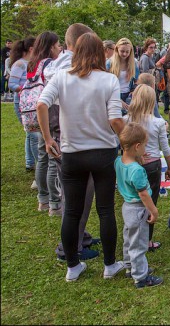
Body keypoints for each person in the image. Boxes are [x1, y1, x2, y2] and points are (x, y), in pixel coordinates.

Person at [36, 32, 126, 282]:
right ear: (99, 52)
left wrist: (47, 138)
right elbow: (115, 119)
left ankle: (73, 266)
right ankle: (109, 265)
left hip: (72, 152)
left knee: (72, 211)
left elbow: (42, 105)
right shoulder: (108, 80)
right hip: (103, 151)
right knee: (106, 209)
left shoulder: (61, 78)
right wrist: (127, 140)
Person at [44, 23, 100, 262]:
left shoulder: (55, 65)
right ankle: (71, 248)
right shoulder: (71, 68)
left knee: (74, 194)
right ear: (80, 43)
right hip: (72, 140)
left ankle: (80, 236)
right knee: (80, 194)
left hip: (61, 137)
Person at [125, 84, 170, 251]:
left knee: (132, 201)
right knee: (150, 203)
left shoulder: (127, 120)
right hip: (152, 164)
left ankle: (131, 236)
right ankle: (146, 241)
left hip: (131, 164)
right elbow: (165, 148)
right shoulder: (158, 122)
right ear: (152, 101)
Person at [115, 123, 163, 288]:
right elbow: (143, 194)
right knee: (139, 244)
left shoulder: (119, 161)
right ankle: (141, 277)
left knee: (128, 238)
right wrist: (153, 210)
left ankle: (130, 266)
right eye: (144, 145)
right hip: (138, 209)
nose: (145, 148)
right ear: (137, 146)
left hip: (127, 207)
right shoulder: (137, 171)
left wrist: (139, 158)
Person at [28, 31, 64, 216]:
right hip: (50, 110)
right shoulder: (50, 64)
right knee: (53, 157)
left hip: (34, 113)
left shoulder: (33, 63)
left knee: (42, 156)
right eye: (58, 45)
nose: (60, 49)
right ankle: (55, 203)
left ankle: (42, 199)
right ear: (51, 47)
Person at [8, 37, 39, 174]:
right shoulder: (19, 64)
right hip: (22, 102)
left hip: (30, 102)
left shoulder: (32, 63)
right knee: (33, 134)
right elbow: (12, 84)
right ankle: (39, 164)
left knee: (29, 133)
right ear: (31, 49)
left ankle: (29, 162)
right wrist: (26, 90)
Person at [107, 38, 139, 110]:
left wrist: (134, 90)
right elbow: (105, 83)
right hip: (113, 95)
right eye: (122, 51)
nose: (124, 54)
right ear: (117, 50)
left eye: (127, 52)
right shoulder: (109, 63)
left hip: (128, 96)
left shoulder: (133, 63)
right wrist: (118, 99)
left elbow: (137, 80)